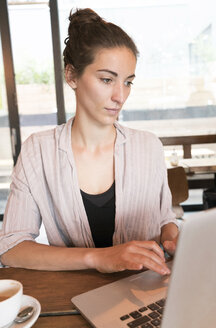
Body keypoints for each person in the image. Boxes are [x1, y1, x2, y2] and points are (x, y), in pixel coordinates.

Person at [0, 8, 178, 274]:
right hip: (75, 297)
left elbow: (165, 219)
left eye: (128, 82)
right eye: (107, 79)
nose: (120, 96)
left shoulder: (149, 146)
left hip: (144, 291)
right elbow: (12, 247)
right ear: (72, 76)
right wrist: (97, 258)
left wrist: (173, 237)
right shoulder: (39, 151)